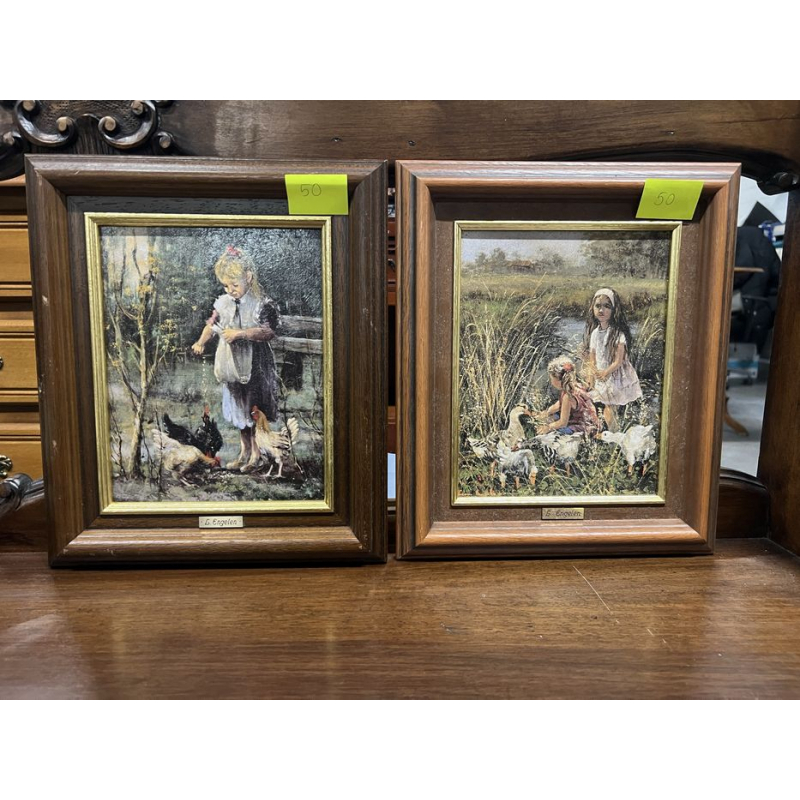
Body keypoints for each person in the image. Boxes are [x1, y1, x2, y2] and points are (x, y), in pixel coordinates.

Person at [192, 246, 280, 471]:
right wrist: (201, 342)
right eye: (225, 286)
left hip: (255, 365)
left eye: (234, 285)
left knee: (253, 408)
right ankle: (244, 452)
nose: (230, 290)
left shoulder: (261, 303)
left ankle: (257, 455)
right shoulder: (223, 303)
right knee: (239, 407)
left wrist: (240, 334)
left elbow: (268, 332)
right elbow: (211, 326)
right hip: (232, 364)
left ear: (248, 277)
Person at [582, 287, 642, 432]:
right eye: (598, 306)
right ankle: (608, 431)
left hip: (614, 375)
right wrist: (592, 375)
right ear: (592, 308)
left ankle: (613, 432)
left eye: (606, 306)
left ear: (614, 310)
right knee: (600, 405)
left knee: (610, 407)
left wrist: (606, 372)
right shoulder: (595, 333)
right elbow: (592, 358)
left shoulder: (617, 333)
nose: (601, 310)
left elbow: (618, 361)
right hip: (600, 375)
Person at [535, 356, 600, 436]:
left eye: (551, 378)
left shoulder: (567, 396)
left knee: (552, 434)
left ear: (558, 379)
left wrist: (547, 427)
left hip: (582, 428)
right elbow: (557, 406)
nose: (551, 382)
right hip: (587, 423)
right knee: (552, 417)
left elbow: (563, 423)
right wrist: (544, 414)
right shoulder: (576, 386)